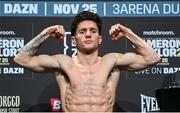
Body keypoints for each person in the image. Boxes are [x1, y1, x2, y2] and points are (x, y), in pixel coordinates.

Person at [14, 11, 160, 112]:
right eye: (82, 32)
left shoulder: (111, 61)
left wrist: (127, 32)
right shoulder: (63, 63)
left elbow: (152, 57)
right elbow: (21, 59)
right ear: (73, 40)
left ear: (100, 39)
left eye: (93, 31)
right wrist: (45, 33)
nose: (88, 35)